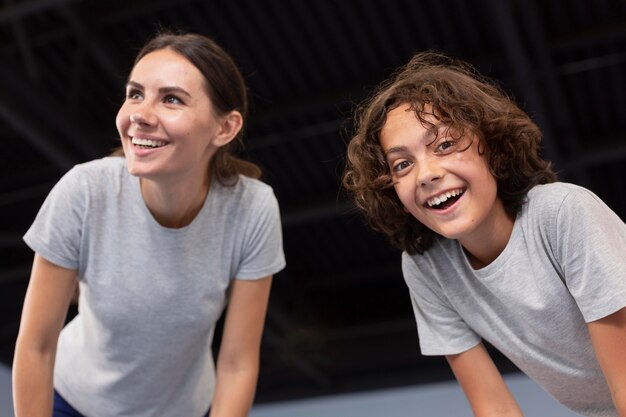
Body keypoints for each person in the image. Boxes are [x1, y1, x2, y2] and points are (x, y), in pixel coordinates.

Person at [13, 32, 286, 417]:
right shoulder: (85, 190)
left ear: (224, 128)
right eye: (135, 94)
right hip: (72, 401)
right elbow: (36, 346)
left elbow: (237, 363)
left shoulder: (252, 209)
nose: (139, 114)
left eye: (171, 99)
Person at [343, 51, 626, 417]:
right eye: (402, 164)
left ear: (491, 148)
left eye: (444, 145)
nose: (426, 174)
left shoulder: (561, 213)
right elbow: (494, 407)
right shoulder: (427, 268)